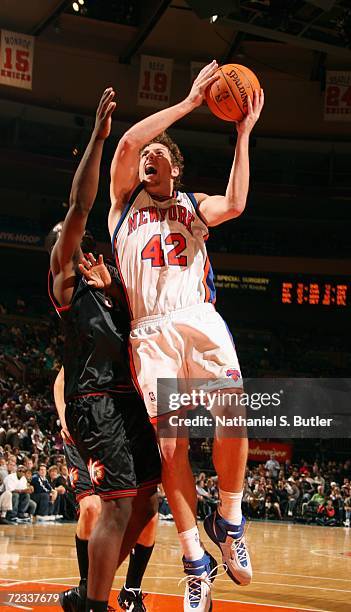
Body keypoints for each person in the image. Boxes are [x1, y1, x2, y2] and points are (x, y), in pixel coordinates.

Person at [109, 60, 264, 611]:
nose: (148, 156)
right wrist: (192, 102)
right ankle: (195, 560)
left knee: (235, 413)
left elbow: (239, 203)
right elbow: (128, 140)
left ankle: (230, 517)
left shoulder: (194, 207)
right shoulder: (124, 205)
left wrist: (243, 134)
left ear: (175, 166)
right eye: (146, 156)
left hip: (197, 317)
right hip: (150, 334)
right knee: (173, 446)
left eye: (159, 154)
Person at [47, 88, 161, 612]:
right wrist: (98, 138)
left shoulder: (111, 286)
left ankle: (84, 593)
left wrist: (116, 290)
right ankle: (94, 604)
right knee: (113, 507)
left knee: (147, 500)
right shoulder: (66, 286)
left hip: (131, 400)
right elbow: (80, 205)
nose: (66, 244)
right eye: (61, 242)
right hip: (96, 403)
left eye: (69, 241)